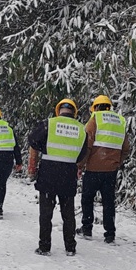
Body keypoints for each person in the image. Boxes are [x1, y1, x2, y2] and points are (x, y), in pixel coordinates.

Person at [27, 98, 88, 257]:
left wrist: (45, 150)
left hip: (48, 174)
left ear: (58, 110)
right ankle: (70, 247)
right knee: (68, 213)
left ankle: (44, 247)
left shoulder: (49, 124)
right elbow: (82, 154)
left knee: (46, 213)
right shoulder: (81, 129)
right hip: (68, 175)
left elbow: (32, 140)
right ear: (74, 112)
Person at [77, 95, 131, 244]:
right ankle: (110, 233)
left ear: (95, 107)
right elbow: (126, 148)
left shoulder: (95, 120)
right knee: (108, 202)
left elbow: (87, 145)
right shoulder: (120, 121)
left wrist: (80, 165)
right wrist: (116, 163)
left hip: (93, 169)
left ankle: (87, 228)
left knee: (87, 199)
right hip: (111, 171)